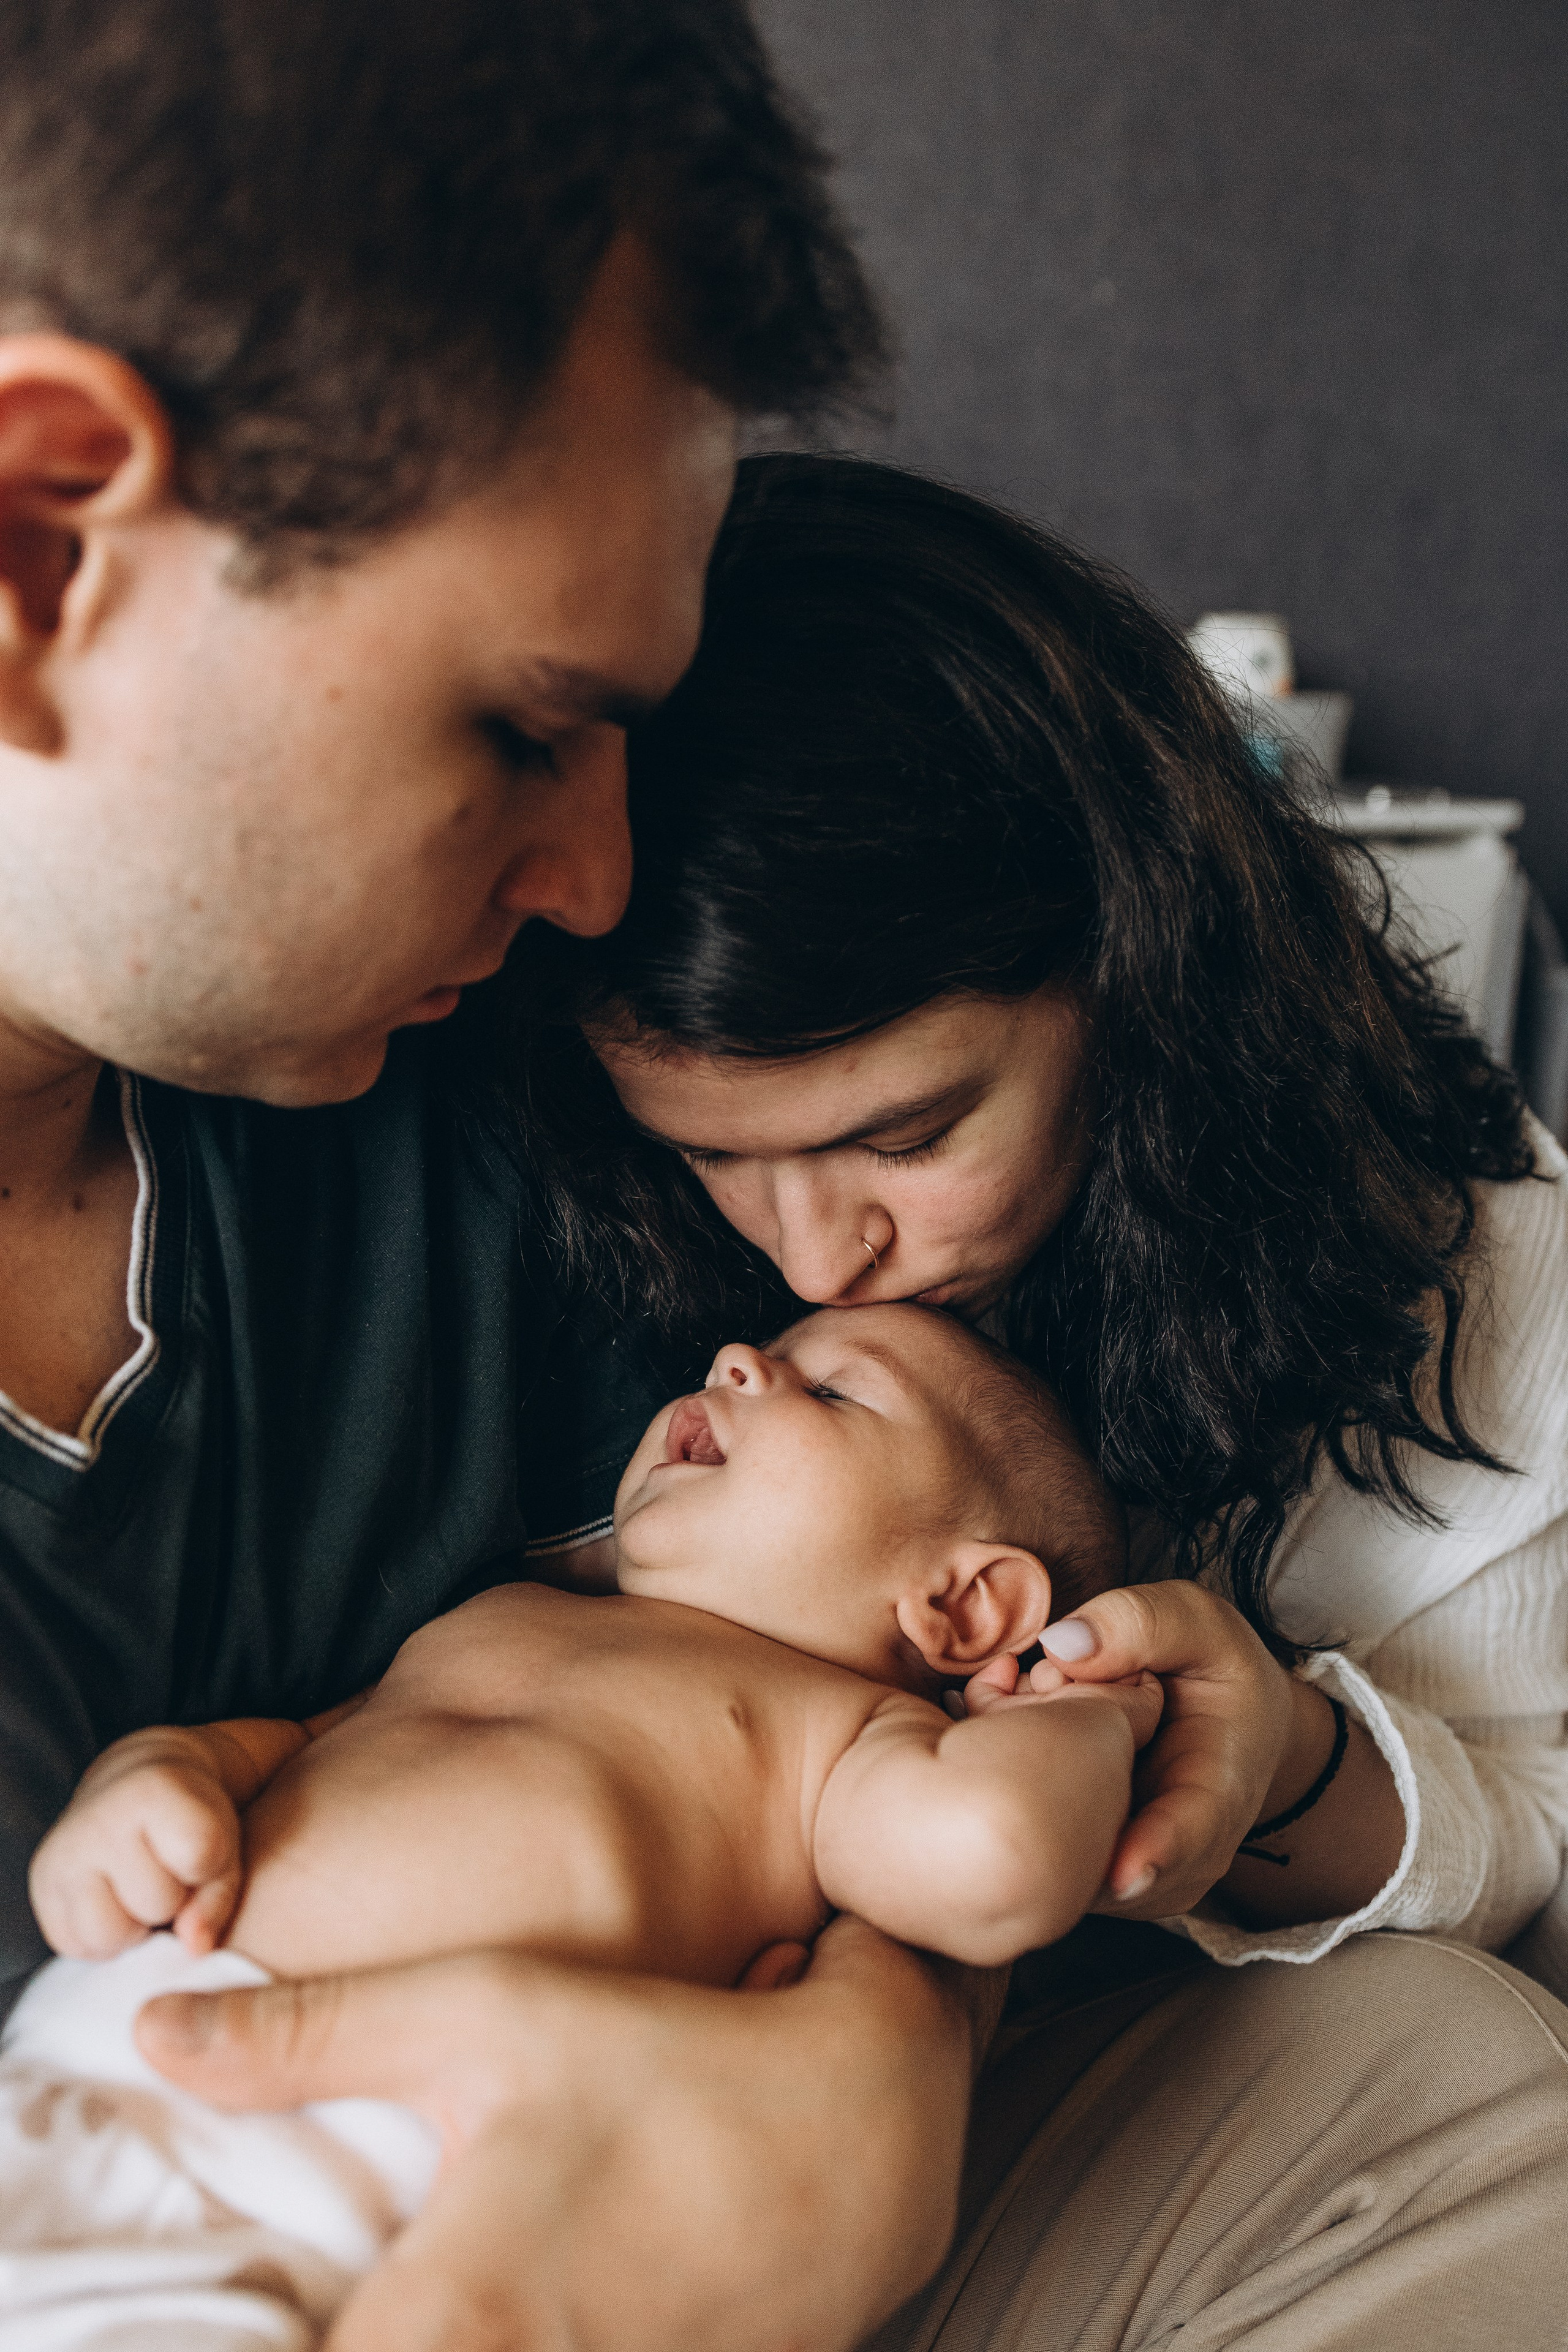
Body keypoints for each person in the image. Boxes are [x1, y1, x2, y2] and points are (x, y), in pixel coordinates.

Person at [0, 10, 1003, 2351]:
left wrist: (891, 2068)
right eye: (528, 726)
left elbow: (867, 1645)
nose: (598, 882)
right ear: (39, 549)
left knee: (1429, 2075)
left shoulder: (470, 1095)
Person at [500, 451, 1568, 2346]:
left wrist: (1293, 1773)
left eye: (909, 1133)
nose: (814, 1259)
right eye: (713, 1154)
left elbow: (1533, 1863)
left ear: (1140, 977)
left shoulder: (1483, 1288)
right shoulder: (546, 1213)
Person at [6, 1305, 1145, 2345]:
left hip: (303, 2201)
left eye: (834, 1392)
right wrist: (165, 1772)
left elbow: (996, 1854)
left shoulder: (842, 1741)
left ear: (962, 1606)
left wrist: (1086, 1712)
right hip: (67, 2073)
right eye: (763, 1353)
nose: (736, 1362)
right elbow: (306, 1742)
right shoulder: (512, 1606)